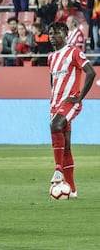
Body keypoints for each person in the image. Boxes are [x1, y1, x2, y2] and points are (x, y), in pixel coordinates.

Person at [47, 21, 96, 199]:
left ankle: (58, 170)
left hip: (71, 101)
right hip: (56, 103)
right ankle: (72, 190)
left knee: (55, 125)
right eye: (51, 33)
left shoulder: (74, 52)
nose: (53, 36)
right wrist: (53, 99)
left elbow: (91, 72)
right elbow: (52, 80)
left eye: (57, 33)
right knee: (66, 146)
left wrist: (80, 96)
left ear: (65, 35)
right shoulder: (51, 57)